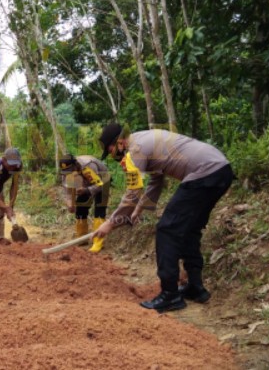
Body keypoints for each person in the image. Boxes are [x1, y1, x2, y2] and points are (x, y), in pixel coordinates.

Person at [93, 123, 235, 313]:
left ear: (119, 142)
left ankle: (170, 295)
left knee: (167, 230)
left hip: (203, 174)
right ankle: (195, 287)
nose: (111, 155)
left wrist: (109, 224)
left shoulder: (135, 151)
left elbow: (133, 192)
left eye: (110, 150)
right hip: (221, 171)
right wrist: (139, 210)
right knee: (189, 230)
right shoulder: (143, 139)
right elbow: (156, 180)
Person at [59, 154, 110, 252]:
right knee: (80, 207)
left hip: (102, 181)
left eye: (70, 171)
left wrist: (86, 190)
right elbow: (67, 191)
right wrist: (70, 204)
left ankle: (98, 242)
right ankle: (82, 238)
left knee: (99, 210)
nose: (68, 174)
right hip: (85, 184)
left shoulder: (89, 166)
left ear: (76, 165)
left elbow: (99, 186)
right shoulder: (66, 173)